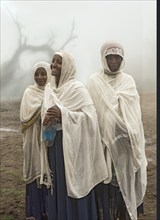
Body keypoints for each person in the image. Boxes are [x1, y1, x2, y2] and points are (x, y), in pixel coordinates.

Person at [40, 50, 109, 220]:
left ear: (68, 66)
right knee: (59, 186)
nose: (54, 64)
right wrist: (47, 120)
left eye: (59, 61)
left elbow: (91, 118)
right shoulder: (49, 89)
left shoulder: (77, 88)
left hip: (74, 148)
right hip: (56, 147)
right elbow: (45, 114)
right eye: (53, 61)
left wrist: (63, 114)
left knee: (75, 185)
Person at [87, 41, 148, 220]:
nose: (113, 61)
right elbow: (92, 112)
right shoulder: (94, 81)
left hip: (125, 141)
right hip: (103, 142)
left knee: (125, 182)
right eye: (109, 57)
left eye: (117, 57)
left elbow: (135, 114)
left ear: (122, 59)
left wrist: (126, 130)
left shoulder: (128, 81)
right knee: (107, 184)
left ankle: (125, 214)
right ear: (103, 58)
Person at [20, 61, 51, 220]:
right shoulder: (29, 93)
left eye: (43, 73)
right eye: (37, 74)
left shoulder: (53, 91)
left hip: (48, 142)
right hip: (33, 141)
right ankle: (36, 212)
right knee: (36, 170)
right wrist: (42, 110)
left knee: (49, 172)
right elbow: (25, 119)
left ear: (49, 74)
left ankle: (49, 211)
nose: (40, 77)